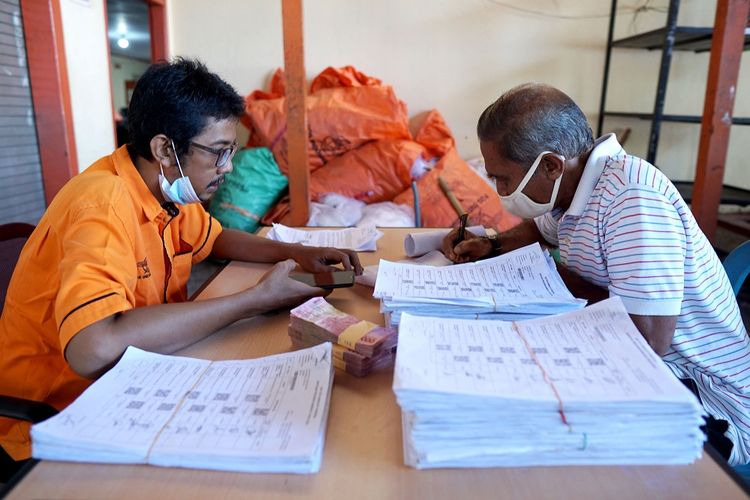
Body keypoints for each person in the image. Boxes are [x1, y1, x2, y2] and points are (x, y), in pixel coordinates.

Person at [0, 58, 362, 476]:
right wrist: (252, 301)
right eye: (218, 152)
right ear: (163, 149)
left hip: (131, 377)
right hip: (57, 415)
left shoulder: (162, 189)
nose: (227, 167)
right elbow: (93, 348)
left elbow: (214, 238)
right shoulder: (102, 207)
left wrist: (295, 251)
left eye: (232, 151)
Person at [442, 83, 750, 466]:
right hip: (643, 366)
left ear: (552, 165)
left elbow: (648, 339)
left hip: (705, 399)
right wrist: (493, 245)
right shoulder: (575, 192)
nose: (501, 190)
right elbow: (539, 231)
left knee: (544, 436)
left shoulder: (631, 199)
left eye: (503, 178)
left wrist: (546, 277)